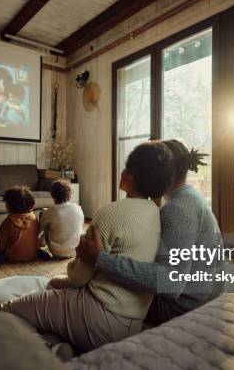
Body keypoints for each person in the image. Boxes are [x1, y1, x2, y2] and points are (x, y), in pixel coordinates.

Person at [0, 142, 175, 352]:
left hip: (99, 316)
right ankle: (61, 347)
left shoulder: (109, 213)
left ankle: (48, 350)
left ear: (130, 176)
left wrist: (64, 279)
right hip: (134, 321)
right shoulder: (158, 214)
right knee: (48, 308)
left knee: (6, 312)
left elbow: (78, 277)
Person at [76, 139, 223, 326]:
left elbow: (171, 283)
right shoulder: (187, 196)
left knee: (96, 288)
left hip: (183, 308)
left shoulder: (178, 209)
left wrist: (102, 259)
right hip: (201, 298)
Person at [0, 186, 39, 270]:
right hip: (33, 254)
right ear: (31, 205)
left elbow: (2, 245)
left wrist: (0, 250)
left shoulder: (8, 222)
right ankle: (37, 252)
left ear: (9, 206)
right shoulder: (33, 217)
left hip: (14, 257)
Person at [39, 180, 84, 259]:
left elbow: (38, 231)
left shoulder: (51, 210)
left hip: (58, 252)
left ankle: (43, 242)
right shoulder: (78, 208)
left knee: (44, 213)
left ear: (53, 195)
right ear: (69, 194)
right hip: (77, 250)